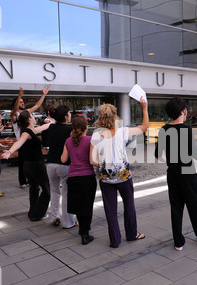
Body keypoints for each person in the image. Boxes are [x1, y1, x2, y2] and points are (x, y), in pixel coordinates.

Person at [154, 97, 197, 251]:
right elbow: (196, 154)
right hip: (187, 173)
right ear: (183, 111)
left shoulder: (163, 129)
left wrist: (171, 161)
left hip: (172, 173)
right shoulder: (185, 129)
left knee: (176, 207)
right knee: (195, 205)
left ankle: (178, 242)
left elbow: (157, 154)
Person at [89, 98, 148, 248]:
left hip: (106, 177)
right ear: (115, 116)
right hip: (123, 176)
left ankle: (115, 241)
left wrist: (103, 163)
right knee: (129, 205)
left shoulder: (96, 135)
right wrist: (144, 108)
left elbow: (92, 161)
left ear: (100, 117)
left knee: (110, 210)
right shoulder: (123, 131)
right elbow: (144, 127)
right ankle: (131, 234)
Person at [2, 110, 51, 221]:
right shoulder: (26, 133)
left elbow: (44, 127)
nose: (34, 117)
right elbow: (18, 142)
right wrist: (10, 152)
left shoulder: (31, 130)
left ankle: (32, 212)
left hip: (28, 165)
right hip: (36, 165)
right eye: (32, 116)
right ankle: (38, 214)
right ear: (29, 119)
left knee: (34, 188)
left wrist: (52, 122)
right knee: (46, 190)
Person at [62, 116, 97, 245]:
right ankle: (85, 234)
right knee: (87, 205)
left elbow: (63, 159)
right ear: (86, 127)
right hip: (87, 177)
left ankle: (82, 228)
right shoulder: (90, 140)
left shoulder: (68, 141)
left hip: (73, 177)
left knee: (79, 205)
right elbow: (92, 160)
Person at [45, 105, 78, 229]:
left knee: (54, 192)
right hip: (64, 164)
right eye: (69, 113)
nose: (70, 115)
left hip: (50, 164)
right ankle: (68, 222)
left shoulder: (51, 127)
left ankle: (54, 217)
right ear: (65, 116)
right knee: (66, 194)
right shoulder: (69, 129)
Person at [11, 86, 50, 188]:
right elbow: (15, 109)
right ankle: (23, 181)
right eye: (20, 102)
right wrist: (19, 96)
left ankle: (31, 179)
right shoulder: (15, 114)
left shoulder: (26, 112)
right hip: (21, 141)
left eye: (23, 101)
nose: (22, 103)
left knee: (29, 161)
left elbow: (37, 105)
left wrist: (44, 94)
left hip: (29, 140)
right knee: (23, 162)